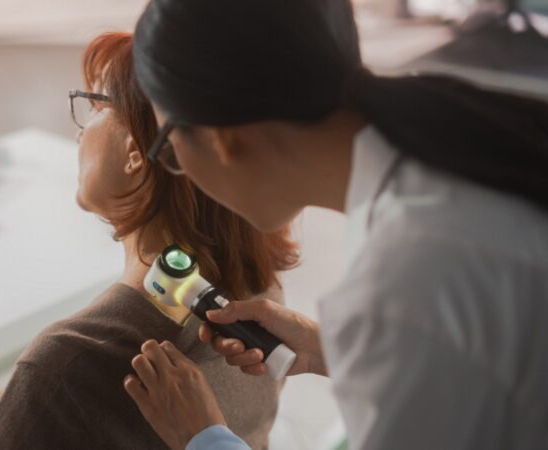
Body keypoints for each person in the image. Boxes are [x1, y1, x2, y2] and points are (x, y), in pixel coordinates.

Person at [123, 0, 548, 449]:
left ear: (220, 138)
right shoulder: (460, 147)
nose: (176, 170)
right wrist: (327, 350)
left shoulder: (401, 282)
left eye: (167, 147)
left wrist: (205, 439)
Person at [0, 32, 300, 450]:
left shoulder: (66, 362)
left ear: (136, 150)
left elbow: (83, 387)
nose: (79, 132)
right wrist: (31, 410)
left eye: (94, 106)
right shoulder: (260, 302)